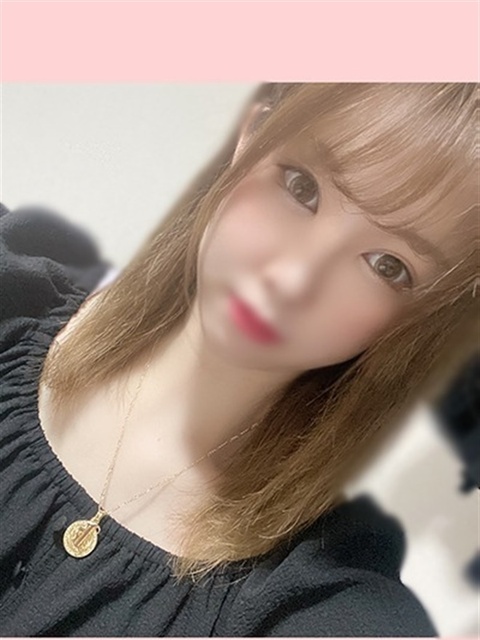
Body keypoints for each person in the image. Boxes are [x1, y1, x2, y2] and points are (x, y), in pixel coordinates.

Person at [0, 82, 477, 637]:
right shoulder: (11, 297)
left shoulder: (319, 605)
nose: (292, 281)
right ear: (252, 134)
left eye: (388, 265)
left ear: (420, 316)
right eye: (301, 187)